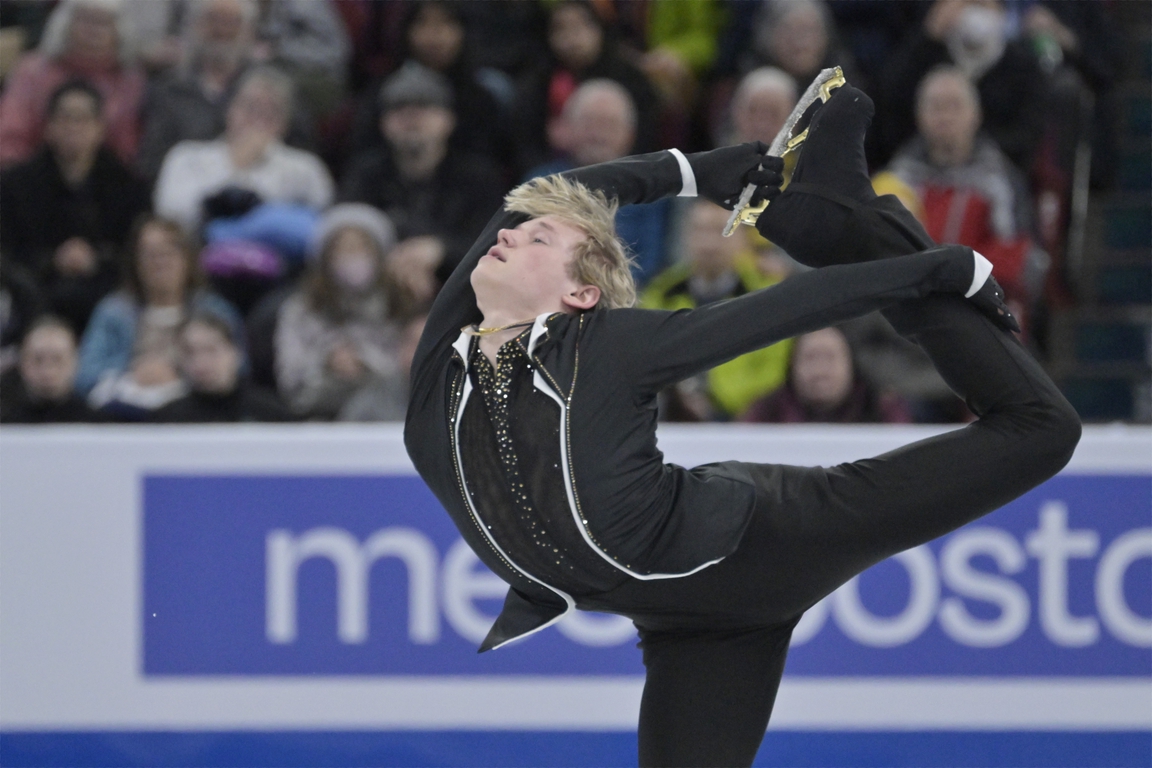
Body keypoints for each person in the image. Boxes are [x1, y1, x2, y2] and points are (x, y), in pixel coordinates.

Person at [403, 82, 1080, 765]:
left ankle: (854, 222)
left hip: (776, 536)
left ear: (580, 295)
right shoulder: (439, 370)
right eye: (518, 234)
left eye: (536, 237)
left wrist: (937, 268)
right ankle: (841, 213)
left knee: (1041, 430)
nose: (510, 231)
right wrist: (694, 172)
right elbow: (535, 196)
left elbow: (781, 312)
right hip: (693, 630)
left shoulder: (604, 347)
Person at [881, 66, 1049, 331]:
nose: (945, 116)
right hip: (905, 318)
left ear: (976, 115)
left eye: (955, 106)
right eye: (936, 107)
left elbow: (1020, 257)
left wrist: (951, 277)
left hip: (978, 313)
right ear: (919, 115)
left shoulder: (1000, 181)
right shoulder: (896, 181)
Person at [0, 79, 150, 335]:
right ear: (48, 127)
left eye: (83, 119)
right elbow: (7, 250)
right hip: (33, 290)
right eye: (65, 118)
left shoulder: (129, 186)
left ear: (100, 128)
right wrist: (52, 260)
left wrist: (96, 259)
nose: (73, 127)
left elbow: (135, 248)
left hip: (108, 289)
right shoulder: (15, 184)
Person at [339, 62, 505, 286]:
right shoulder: (364, 174)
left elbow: (497, 242)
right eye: (399, 109)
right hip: (378, 287)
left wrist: (441, 250)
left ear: (448, 119)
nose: (411, 118)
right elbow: (343, 234)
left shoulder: (479, 176)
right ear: (383, 123)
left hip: (463, 288)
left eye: (423, 108)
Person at [77, 216, 242, 419]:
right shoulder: (113, 312)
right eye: (150, 254)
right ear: (135, 262)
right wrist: (133, 373)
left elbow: (239, 369)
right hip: (125, 414)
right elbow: (85, 376)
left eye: (168, 253)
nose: (160, 262)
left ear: (187, 259)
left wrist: (185, 373)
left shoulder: (215, 311)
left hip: (196, 412)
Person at [640, 198, 791, 420]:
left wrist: (718, 402)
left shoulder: (769, 296)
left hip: (749, 423)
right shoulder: (660, 294)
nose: (708, 243)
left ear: (743, 237)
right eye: (699, 230)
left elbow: (774, 374)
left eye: (721, 230)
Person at [153, 65, 333, 234]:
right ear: (230, 110)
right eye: (250, 107)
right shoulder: (187, 156)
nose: (257, 119)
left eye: (270, 112)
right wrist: (238, 166)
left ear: (284, 124)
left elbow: (322, 223)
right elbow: (170, 215)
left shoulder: (304, 168)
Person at [274, 204, 414, 421]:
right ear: (325, 257)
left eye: (361, 247)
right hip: (316, 418)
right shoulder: (300, 310)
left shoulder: (402, 305)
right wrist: (327, 362)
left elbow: (411, 364)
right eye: (342, 248)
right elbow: (290, 377)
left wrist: (364, 362)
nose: (352, 256)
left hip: (391, 418)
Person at [526, 79, 672, 285]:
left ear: (630, 135)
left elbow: (651, 262)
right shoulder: (542, 183)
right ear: (568, 128)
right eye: (589, 122)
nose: (598, 134)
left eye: (609, 124)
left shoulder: (649, 190)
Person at [0, 0, 145, 166]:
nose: (93, 31)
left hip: (105, 181)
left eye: (103, 23)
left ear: (120, 30)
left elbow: (127, 147)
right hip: (30, 176)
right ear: (65, 24)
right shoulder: (32, 71)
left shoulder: (130, 81)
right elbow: (10, 135)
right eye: (85, 20)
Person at [742, 325, 911, 424]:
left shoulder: (883, 408)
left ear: (851, 364)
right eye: (810, 358)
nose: (820, 371)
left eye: (830, 358)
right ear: (792, 366)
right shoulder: (765, 412)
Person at [152, 310, 293, 423]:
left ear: (236, 353)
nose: (200, 362)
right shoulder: (168, 420)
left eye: (211, 350)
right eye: (190, 352)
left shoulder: (271, 415)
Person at [0, 315, 103, 423]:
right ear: (22, 362)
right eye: (38, 360)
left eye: (57, 360)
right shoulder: (5, 425)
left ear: (75, 361)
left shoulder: (100, 427)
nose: (48, 372)